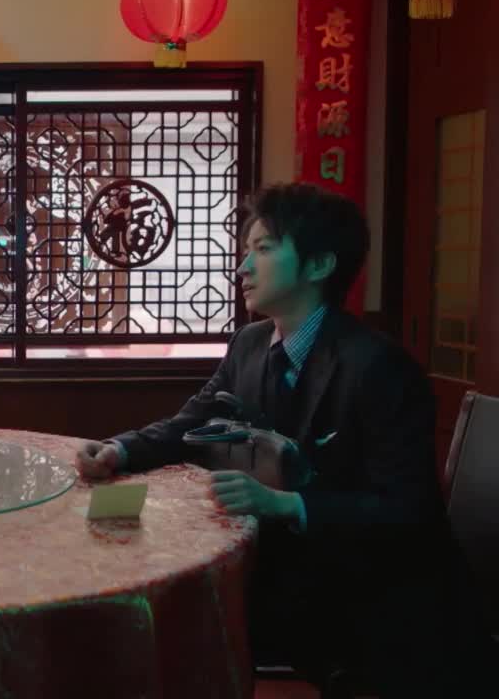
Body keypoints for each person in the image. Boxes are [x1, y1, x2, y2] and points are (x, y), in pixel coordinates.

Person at [69, 182, 489, 697]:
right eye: (246, 250)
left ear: (320, 265)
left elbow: (407, 510)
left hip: (373, 603)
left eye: (263, 249)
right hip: (286, 576)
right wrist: (120, 450)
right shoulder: (250, 344)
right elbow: (192, 422)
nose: (242, 268)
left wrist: (284, 503)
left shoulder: (378, 368)